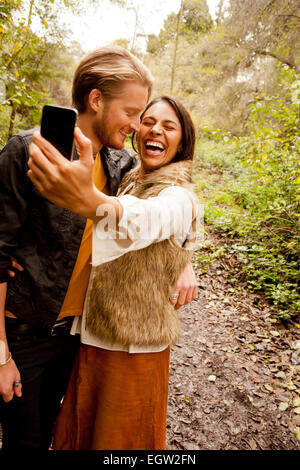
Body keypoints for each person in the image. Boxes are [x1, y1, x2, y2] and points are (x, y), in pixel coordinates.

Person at [0, 46, 197, 451]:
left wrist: (184, 258)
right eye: (133, 113)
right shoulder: (30, 152)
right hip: (22, 334)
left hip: (75, 338)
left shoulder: (119, 165)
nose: (138, 126)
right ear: (95, 100)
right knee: (25, 441)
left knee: (60, 435)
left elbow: (152, 212)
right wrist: (0, 354)